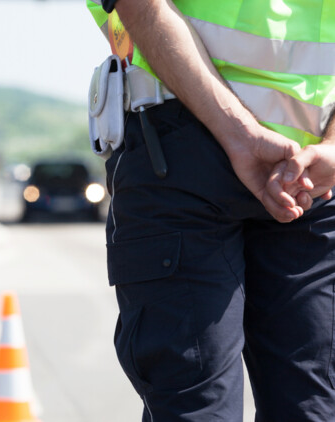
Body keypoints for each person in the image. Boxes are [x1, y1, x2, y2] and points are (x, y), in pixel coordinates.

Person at [87, 0, 335, 420]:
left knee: (310, 409)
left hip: (305, 176)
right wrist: (240, 134)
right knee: (201, 409)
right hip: (185, 155)